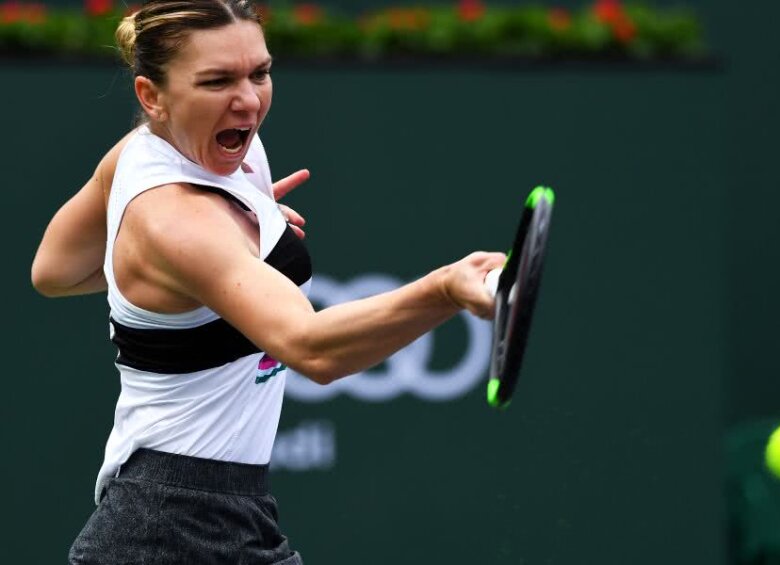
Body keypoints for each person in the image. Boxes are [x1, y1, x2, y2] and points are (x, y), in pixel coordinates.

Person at [30, 1, 504, 563]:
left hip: (203, 511)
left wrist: (231, 234)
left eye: (260, 72)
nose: (249, 100)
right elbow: (312, 350)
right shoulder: (176, 218)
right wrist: (446, 288)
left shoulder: (193, 151)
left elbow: (54, 271)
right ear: (151, 97)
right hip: (170, 526)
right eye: (217, 81)